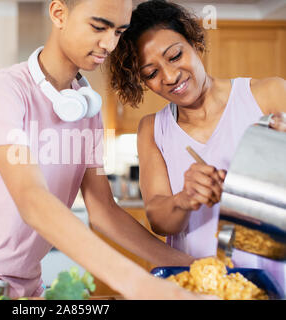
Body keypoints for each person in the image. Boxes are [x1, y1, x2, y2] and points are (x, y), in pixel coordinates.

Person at [0, 0, 204, 300]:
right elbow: (32, 200)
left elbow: (104, 212)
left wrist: (192, 267)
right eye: (99, 27)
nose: (109, 44)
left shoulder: (88, 110)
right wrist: (137, 283)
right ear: (59, 14)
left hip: (28, 285)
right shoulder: (4, 90)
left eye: (118, 32)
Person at [109, 0, 286, 291]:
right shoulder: (153, 129)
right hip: (197, 284)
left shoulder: (267, 95)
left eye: (175, 55)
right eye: (151, 73)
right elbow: (159, 219)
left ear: (193, 42)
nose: (170, 77)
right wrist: (184, 199)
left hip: (271, 277)